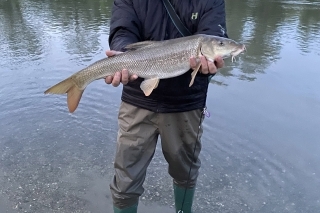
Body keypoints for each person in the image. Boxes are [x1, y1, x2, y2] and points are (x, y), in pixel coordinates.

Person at [105, 0, 228, 212]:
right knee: (126, 177)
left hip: (186, 103)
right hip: (137, 98)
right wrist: (121, 54)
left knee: (185, 172)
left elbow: (215, 33)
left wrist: (213, 59)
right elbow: (122, 30)